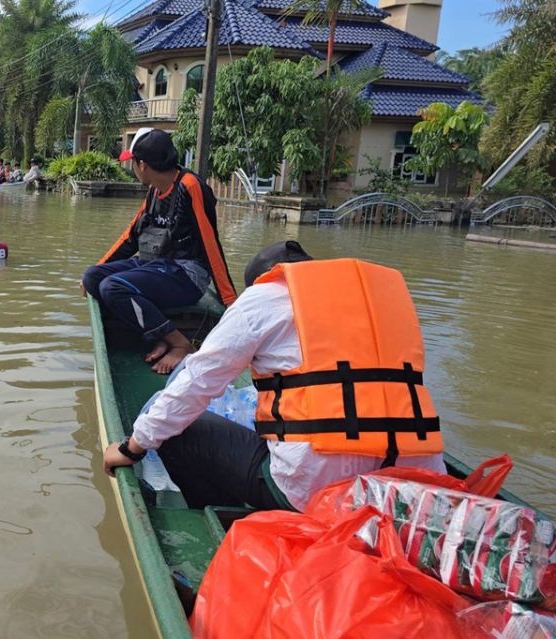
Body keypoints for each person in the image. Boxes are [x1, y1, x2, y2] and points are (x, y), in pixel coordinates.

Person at [103, 240, 447, 512]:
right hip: (411, 488)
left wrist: (133, 447)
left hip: (313, 495)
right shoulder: (380, 303)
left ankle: (228, 516)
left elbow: (196, 381)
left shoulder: (264, 296)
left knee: (177, 431)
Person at [81, 128, 237, 374]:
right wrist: (99, 266)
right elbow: (131, 237)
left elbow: (210, 244)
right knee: (93, 277)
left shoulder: (189, 186)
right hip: (154, 265)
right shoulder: (154, 190)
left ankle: (179, 344)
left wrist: (230, 302)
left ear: (142, 164)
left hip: (186, 274)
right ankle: (159, 335)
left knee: (112, 287)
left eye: (132, 163)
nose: (131, 168)